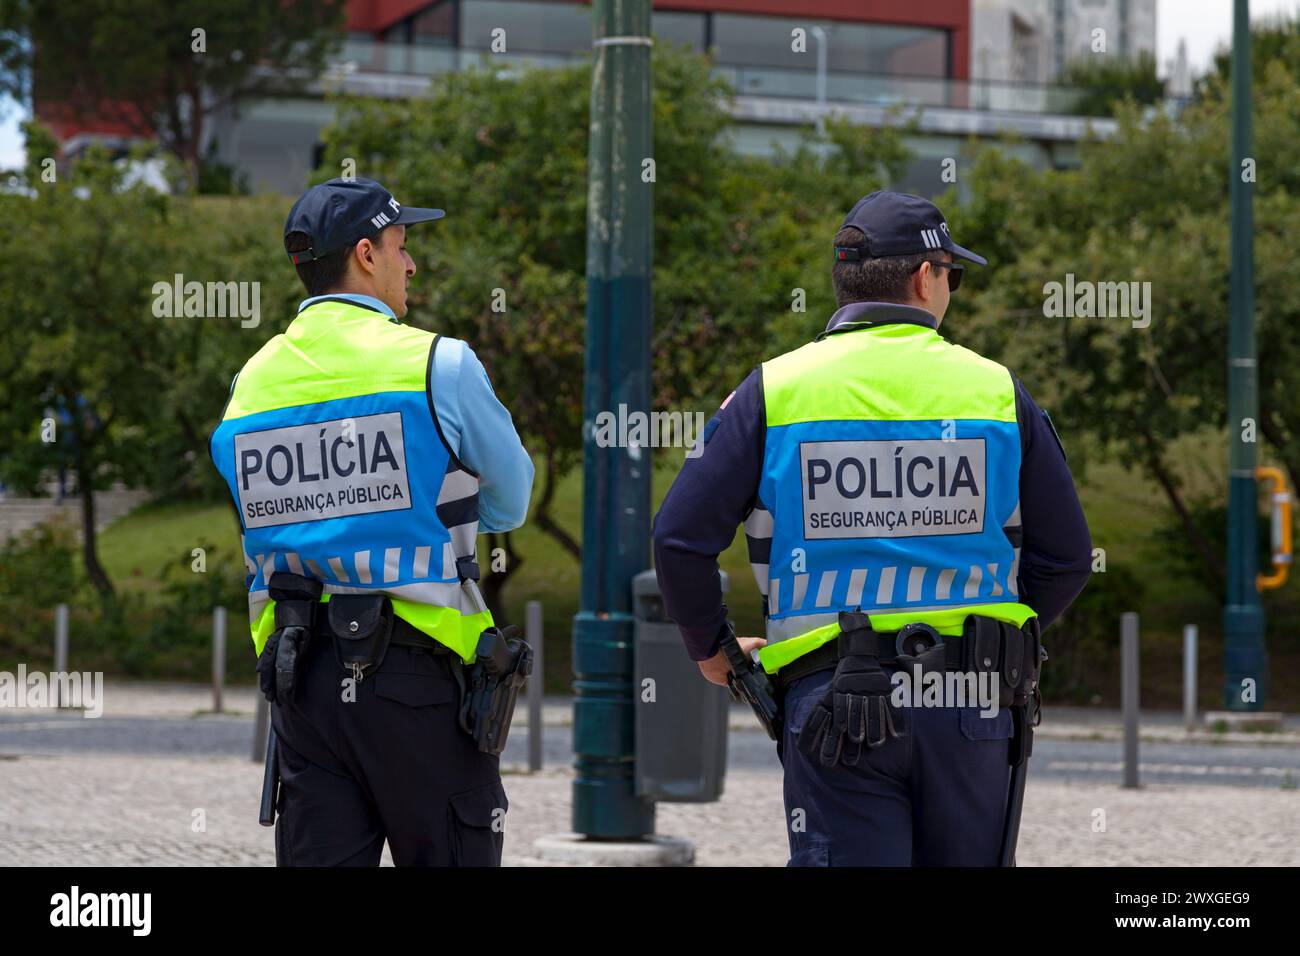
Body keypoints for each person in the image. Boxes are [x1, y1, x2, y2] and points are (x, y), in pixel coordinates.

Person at [653, 190, 1092, 866]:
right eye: (954, 273)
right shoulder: (998, 392)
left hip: (832, 706)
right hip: (970, 701)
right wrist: (999, 636)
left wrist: (713, 651)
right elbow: (1064, 560)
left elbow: (680, 538)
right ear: (926, 276)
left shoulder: (775, 391)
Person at [209, 177, 534, 866]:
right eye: (401, 246)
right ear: (365, 253)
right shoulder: (437, 363)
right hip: (421, 682)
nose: (410, 264)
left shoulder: (250, 383)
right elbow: (511, 501)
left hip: (302, 684)